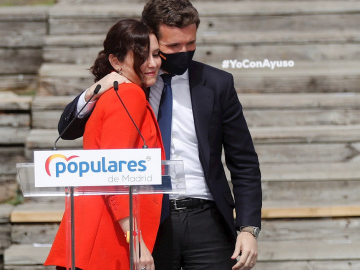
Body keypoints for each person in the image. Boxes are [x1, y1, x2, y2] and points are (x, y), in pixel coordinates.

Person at [57, 0, 262, 269]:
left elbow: (243, 159)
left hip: (208, 219)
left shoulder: (217, 83)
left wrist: (248, 228)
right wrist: (96, 88)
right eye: (173, 47)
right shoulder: (129, 84)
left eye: (190, 44)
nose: (184, 52)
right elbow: (67, 130)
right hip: (149, 220)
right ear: (151, 39)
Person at [45, 19, 164, 270]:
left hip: (94, 238)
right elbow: (114, 172)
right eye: (142, 56)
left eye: (156, 54)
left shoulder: (118, 93)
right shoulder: (129, 94)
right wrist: (136, 240)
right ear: (115, 62)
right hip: (105, 241)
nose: (152, 63)